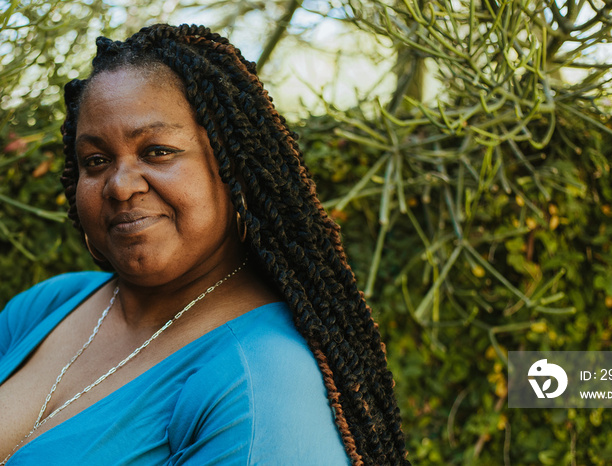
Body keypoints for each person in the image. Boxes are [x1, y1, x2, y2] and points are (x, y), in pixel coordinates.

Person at [0, 24, 409, 465]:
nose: (120, 186)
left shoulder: (262, 380)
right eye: (95, 161)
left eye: (157, 151)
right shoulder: (46, 306)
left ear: (232, 167)